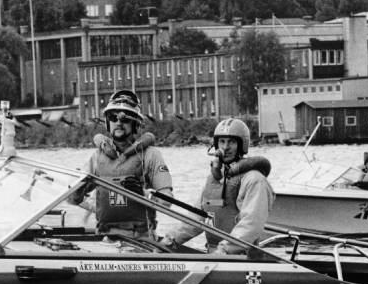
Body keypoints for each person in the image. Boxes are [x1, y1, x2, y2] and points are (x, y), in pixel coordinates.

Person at [70, 90, 173, 239]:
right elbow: (73, 199)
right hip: (104, 238)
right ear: (108, 123)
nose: (118, 123)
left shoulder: (151, 155)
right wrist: (75, 186)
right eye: (113, 118)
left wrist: (142, 194)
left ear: (135, 123)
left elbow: (166, 201)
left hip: (141, 239)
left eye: (124, 119)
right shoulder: (97, 157)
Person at [164, 117, 273, 254]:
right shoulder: (214, 179)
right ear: (216, 145)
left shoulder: (254, 179)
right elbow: (195, 219)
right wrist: (170, 240)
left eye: (232, 142)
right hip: (215, 256)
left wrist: (225, 250)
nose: (225, 147)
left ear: (242, 145)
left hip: (241, 258)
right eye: (222, 141)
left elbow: (251, 223)